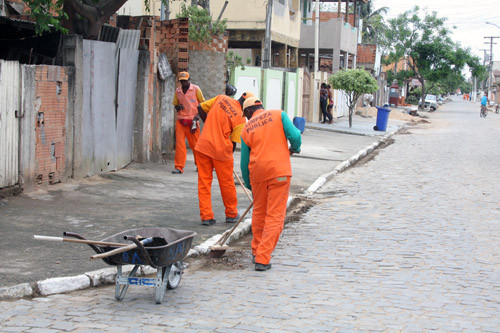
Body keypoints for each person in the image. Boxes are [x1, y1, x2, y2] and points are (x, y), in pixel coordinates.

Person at [240, 97, 302, 271]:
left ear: (248, 112)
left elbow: (244, 162)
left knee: (259, 213)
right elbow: (295, 136)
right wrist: (294, 149)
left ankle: (256, 251)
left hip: (258, 175)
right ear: (261, 107)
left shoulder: (246, 129)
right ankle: (262, 257)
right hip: (279, 173)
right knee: (275, 216)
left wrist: (250, 184)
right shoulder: (278, 114)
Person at [193, 89, 255, 226]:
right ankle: (231, 213)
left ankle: (206, 216)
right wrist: (229, 157)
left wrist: (208, 122)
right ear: (247, 107)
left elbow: (200, 107)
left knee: (204, 183)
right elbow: (233, 142)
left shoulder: (220, 98)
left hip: (203, 146)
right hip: (221, 151)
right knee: (226, 184)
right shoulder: (240, 118)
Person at [171, 71, 205, 174]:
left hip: (193, 122)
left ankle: (200, 165)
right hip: (181, 121)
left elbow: (203, 105)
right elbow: (175, 104)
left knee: (195, 145)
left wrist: (197, 118)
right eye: (181, 81)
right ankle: (179, 167)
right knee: (180, 145)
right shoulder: (178, 91)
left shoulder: (196, 89)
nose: (183, 83)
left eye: (185, 81)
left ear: (189, 80)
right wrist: (178, 107)